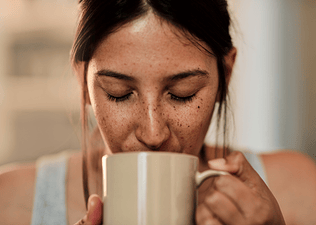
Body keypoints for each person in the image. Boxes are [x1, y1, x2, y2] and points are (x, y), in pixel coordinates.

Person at [1, 0, 316, 224]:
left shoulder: (300, 193)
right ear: (83, 83)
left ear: (226, 77)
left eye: (183, 94)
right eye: (119, 94)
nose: (153, 134)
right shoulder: (11, 203)